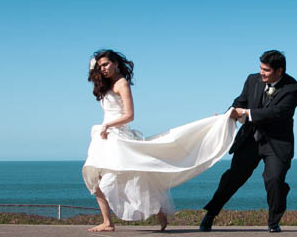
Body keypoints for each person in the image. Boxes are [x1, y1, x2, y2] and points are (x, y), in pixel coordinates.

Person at [82, 49, 237, 232]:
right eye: (100, 66)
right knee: (94, 178)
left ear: (116, 64)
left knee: (132, 179)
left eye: (106, 64)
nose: (103, 68)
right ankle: (108, 222)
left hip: (117, 136)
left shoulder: (122, 83)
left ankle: (158, 210)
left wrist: (108, 125)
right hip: (104, 137)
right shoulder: (106, 84)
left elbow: (130, 115)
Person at [199, 50, 297, 233]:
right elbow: (240, 101)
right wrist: (226, 116)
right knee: (233, 178)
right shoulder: (252, 80)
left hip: (276, 144)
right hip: (250, 139)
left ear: (279, 71)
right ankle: (210, 214)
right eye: (261, 68)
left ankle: (273, 222)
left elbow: (277, 113)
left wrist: (245, 113)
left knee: (274, 180)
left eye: (267, 70)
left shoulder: (294, 89)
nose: (262, 73)